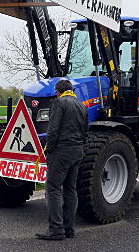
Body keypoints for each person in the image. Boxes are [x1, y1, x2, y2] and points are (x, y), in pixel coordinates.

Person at [36, 79, 88, 240]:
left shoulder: (59, 103)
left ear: (58, 92)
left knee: (52, 188)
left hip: (61, 152)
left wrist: (49, 151)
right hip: (77, 151)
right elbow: (85, 132)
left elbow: (53, 129)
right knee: (70, 189)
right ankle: (69, 229)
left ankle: (56, 230)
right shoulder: (82, 106)